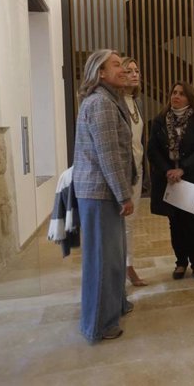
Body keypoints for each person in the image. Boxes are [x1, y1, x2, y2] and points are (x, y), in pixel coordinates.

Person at [73, 49, 137, 342]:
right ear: (100, 72)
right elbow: (109, 155)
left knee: (113, 256)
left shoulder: (110, 100)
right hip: (101, 193)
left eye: (123, 65)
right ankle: (98, 323)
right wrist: (125, 195)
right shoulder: (101, 103)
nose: (124, 69)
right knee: (102, 260)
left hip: (103, 192)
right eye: (116, 65)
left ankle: (115, 306)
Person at [147, 82, 194, 281]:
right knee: (175, 223)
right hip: (169, 180)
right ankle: (180, 262)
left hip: (193, 178)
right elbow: (153, 150)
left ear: (189, 98)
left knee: (193, 223)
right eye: (174, 93)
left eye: (182, 94)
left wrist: (182, 168)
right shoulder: (160, 121)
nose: (176, 96)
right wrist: (168, 169)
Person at [121, 57, 147, 287]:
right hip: (122, 173)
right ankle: (125, 267)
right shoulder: (116, 101)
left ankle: (128, 265)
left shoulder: (135, 102)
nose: (134, 74)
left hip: (136, 171)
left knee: (131, 222)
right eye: (128, 70)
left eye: (136, 70)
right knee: (121, 222)